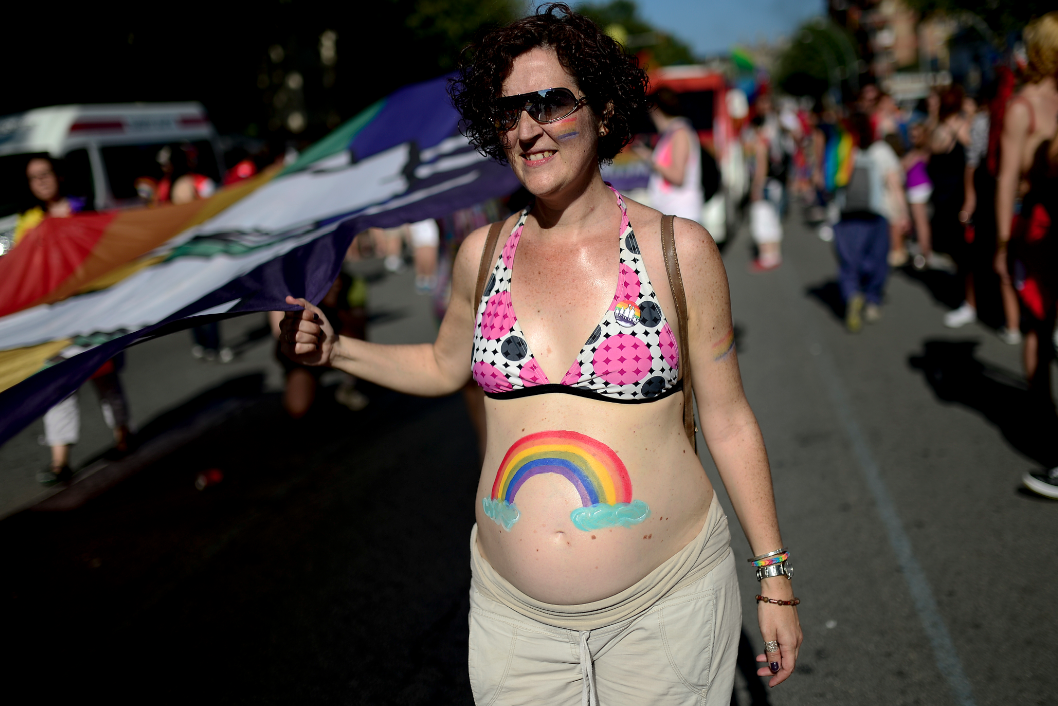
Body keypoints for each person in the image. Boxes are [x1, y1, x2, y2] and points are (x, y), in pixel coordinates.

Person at [280, 5, 800, 703]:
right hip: (512, 622)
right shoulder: (482, 253)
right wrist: (336, 349)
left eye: (551, 103)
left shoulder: (678, 251)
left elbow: (729, 420)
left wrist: (773, 575)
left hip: (664, 606)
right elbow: (442, 366)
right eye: (509, 112)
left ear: (605, 110)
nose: (527, 129)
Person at [17, 156, 132, 484]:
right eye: (33, 178)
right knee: (58, 385)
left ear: (59, 176)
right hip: (54, 318)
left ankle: (124, 434)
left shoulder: (84, 211)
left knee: (105, 379)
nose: (40, 181)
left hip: (93, 311)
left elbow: (107, 253)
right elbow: (22, 269)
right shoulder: (29, 223)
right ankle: (59, 462)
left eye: (45, 174)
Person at [996, 12, 1058, 386]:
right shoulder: (1023, 107)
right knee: (1039, 319)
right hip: (1039, 224)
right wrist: (1003, 244)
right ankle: (1040, 408)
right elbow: (1006, 179)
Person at [834, 113, 906, 332]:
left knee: (849, 261)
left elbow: (827, 179)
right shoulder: (881, 151)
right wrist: (902, 213)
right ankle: (872, 300)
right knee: (877, 260)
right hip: (876, 213)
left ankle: (852, 294)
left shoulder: (843, 150)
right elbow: (894, 183)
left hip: (846, 214)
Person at [928, 87, 973, 328]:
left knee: (962, 254)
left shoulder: (945, 129)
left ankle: (969, 301)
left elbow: (933, 150)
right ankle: (969, 299)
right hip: (955, 196)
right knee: (961, 253)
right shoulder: (960, 127)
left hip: (954, 196)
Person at [634, 87, 703, 223]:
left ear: (657, 110)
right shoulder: (672, 134)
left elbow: (677, 176)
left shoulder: (680, 134)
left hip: (682, 213)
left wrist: (649, 158)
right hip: (675, 213)